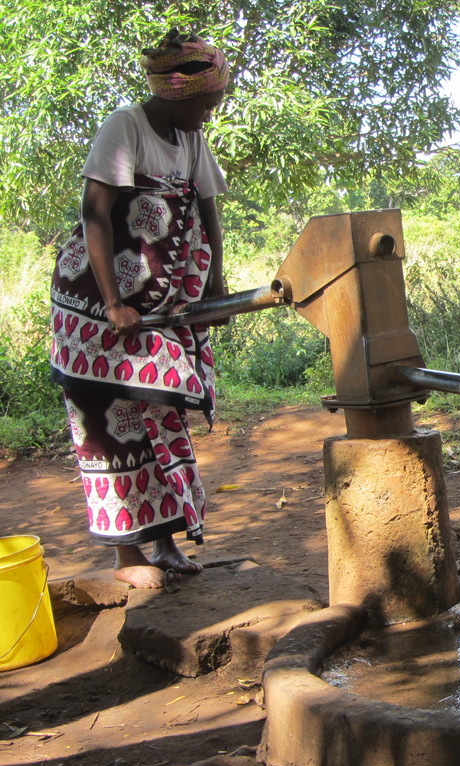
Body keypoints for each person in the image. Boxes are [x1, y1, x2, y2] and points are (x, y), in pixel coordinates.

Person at [49, 29, 230, 589]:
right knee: (106, 422)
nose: (209, 113)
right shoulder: (124, 127)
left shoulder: (191, 138)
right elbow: (96, 216)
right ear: (176, 95)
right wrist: (111, 303)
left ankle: (167, 543)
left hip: (160, 304)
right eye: (205, 103)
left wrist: (216, 286)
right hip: (94, 305)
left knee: (160, 411)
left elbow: (207, 213)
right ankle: (128, 554)